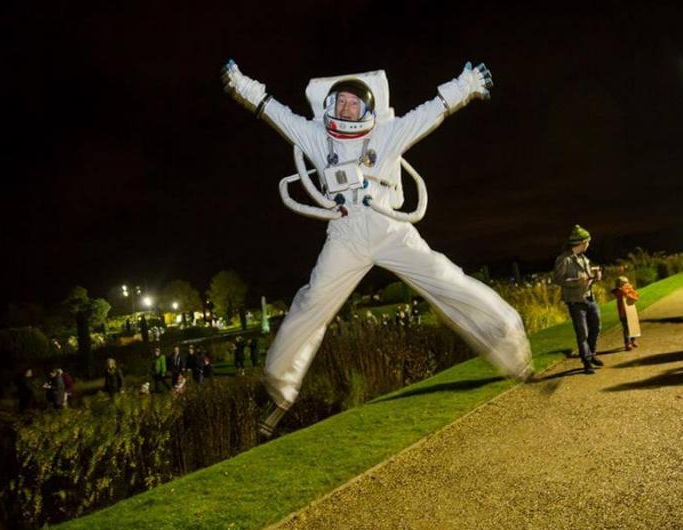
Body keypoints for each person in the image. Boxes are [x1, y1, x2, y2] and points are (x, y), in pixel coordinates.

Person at [223, 60, 532, 437]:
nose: (346, 108)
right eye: (340, 103)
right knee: (310, 303)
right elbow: (277, 113)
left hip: (389, 227)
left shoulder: (387, 134)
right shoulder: (317, 138)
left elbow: (429, 112)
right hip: (345, 235)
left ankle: (509, 342)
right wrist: (241, 84)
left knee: (443, 278)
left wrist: (464, 85)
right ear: (330, 108)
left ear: (367, 110)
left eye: (354, 103)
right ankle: (279, 391)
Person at [553, 225, 604, 374]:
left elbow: (587, 279)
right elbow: (558, 279)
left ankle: (592, 353)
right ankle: (587, 362)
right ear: (581, 242)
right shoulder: (564, 259)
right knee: (583, 333)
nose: (589, 244)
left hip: (590, 298)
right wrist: (577, 281)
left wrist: (595, 278)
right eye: (587, 242)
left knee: (596, 327)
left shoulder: (584, 259)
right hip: (575, 301)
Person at [611, 276, 640, 351]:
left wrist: (631, 292)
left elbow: (635, 296)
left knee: (633, 326)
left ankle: (633, 340)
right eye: (625, 283)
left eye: (627, 282)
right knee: (626, 328)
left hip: (631, 312)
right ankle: (627, 343)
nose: (627, 284)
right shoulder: (618, 291)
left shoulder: (630, 289)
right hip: (623, 313)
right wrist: (625, 290)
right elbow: (621, 293)